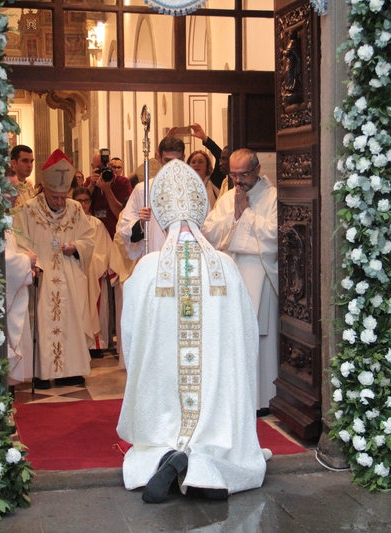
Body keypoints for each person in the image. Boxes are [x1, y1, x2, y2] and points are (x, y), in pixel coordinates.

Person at [117, 159, 268, 504]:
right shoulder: (225, 267)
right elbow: (245, 336)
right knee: (224, 439)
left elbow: (131, 334)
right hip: (213, 398)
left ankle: (169, 454)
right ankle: (207, 461)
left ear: (162, 214)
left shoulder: (148, 267)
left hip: (166, 391)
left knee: (159, 434)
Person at [201, 148, 279, 412]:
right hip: (231, 276)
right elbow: (209, 233)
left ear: (257, 170)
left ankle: (262, 399)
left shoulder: (273, 197)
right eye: (233, 175)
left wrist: (247, 217)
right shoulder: (226, 199)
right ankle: (235, 400)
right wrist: (234, 218)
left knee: (259, 339)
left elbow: (275, 238)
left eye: (243, 174)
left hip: (259, 276)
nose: (237, 181)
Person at [12, 149, 96, 389]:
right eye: (54, 196)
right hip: (42, 275)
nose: (60, 202)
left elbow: (90, 238)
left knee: (72, 320)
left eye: (62, 196)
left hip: (69, 275)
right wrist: (32, 263)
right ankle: (41, 372)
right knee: (42, 322)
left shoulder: (75, 209)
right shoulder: (26, 210)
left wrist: (76, 247)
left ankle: (71, 370)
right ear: (44, 189)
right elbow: (19, 241)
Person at [116, 136, 186, 259]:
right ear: (158, 158)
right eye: (168, 161)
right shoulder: (143, 190)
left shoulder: (193, 190)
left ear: (184, 158)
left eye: (177, 161)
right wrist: (142, 223)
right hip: (154, 258)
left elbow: (206, 229)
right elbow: (124, 232)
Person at [4, 167, 38, 384]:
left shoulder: (5, 219)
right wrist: (26, 260)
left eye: (16, 189)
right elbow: (2, 261)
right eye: (10, 190)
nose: (16, 195)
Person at [72, 186, 112, 351]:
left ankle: (96, 344)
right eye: (79, 200)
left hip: (94, 274)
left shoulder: (97, 224)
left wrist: (95, 262)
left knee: (94, 308)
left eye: (86, 200)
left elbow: (105, 249)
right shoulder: (68, 223)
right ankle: (77, 345)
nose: (82, 204)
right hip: (74, 272)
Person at [86, 151, 133, 239]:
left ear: (111, 166)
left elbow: (122, 214)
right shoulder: (90, 181)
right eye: (99, 168)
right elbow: (80, 207)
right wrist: (91, 185)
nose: (102, 171)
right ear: (92, 166)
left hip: (116, 234)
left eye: (105, 167)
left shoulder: (123, 182)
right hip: (94, 234)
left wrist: (107, 190)